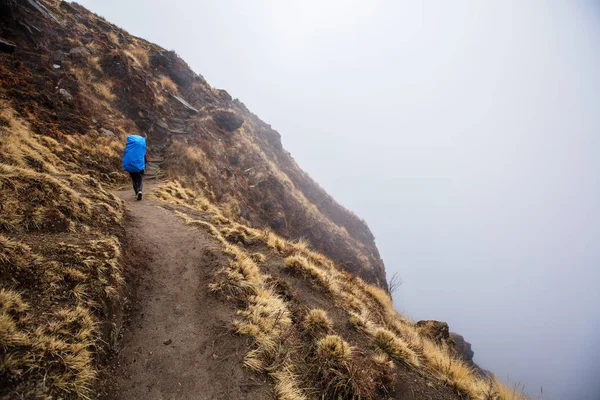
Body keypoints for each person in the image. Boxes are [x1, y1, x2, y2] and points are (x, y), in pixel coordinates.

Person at [122, 134, 148, 200]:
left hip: (130, 165)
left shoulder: (129, 148)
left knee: (134, 179)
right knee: (139, 179)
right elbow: (145, 158)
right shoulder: (142, 150)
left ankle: (136, 192)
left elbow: (125, 156)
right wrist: (145, 164)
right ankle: (140, 190)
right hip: (140, 166)